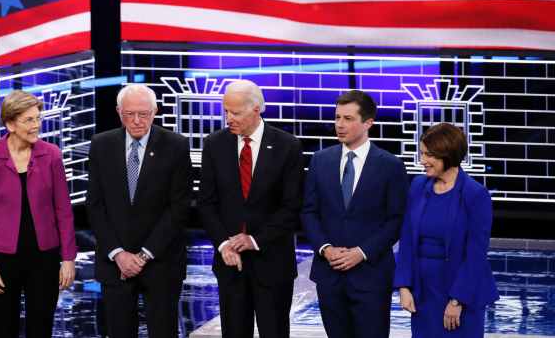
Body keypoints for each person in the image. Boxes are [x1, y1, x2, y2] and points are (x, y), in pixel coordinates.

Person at [197, 80, 304, 338]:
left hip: (272, 261)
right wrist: (224, 245)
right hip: (230, 263)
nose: (228, 118)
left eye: (235, 112)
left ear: (256, 111)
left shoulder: (287, 145)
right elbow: (207, 204)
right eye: (225, 111)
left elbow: (292, 206)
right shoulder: (214, 143)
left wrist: (254, 240)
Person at [85, 84, 193, 338]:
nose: (137, 121)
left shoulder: (176, 145)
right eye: (130, 114)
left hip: (161, 261)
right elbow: (95, 205)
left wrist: (143, 256)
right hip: (115, 264)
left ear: (154, 112)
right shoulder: (101, 144)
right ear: (119, 113)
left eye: (143, 114)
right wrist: (119, 254)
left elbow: (178, 207)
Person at [300, 90, 409, 338]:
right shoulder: (320, 160)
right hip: (329, 275)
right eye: (337, 117)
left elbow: (397, 220)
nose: (339, 124)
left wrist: (361, 252)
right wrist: (326, 249)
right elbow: (309, 212)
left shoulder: (391, 165)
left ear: (368, 122)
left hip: (371, 276)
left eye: (348, 119)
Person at [0, 90, 77, 338]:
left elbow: (64, 210)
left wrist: (69, 259)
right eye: (28, 120)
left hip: (44, 259)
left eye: (38, 118)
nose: (36, 125)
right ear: (9, 124)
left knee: (41, 330)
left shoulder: (51, 154)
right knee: (4, 330)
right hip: (1, 261)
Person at [394, 123, 499, 337]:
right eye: (422, 153)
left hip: (462, 292)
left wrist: (457, 299)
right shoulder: (417, 185)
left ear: (448, 155)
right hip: (422, 293)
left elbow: (476, 254)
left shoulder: (476, 194)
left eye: (429, 155)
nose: (422, 161)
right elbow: (406, 238)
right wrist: (404, 286)